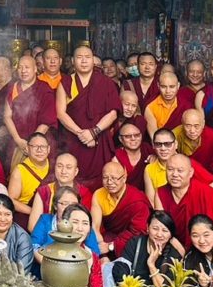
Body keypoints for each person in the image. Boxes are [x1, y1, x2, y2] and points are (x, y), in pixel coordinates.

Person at [56, 45, 119, 188]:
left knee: (101, 181)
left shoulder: (106, 83)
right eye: (79, 57)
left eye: (87, 57)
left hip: (99, 140)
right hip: (73, 139)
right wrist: (82, 134)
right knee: (73, 180)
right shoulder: (66, 82)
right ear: (73, 61)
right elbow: (60, 113)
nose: (84, 61)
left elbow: (113, 113)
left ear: (93, 60)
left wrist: (93, 132)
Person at [158, 154, 213, 246]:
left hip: (204, 245)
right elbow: (160, 229)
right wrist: (179, 249)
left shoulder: (206, 193)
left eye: (180, 170)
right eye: (170, 169)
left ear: (191, 172)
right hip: (173, 246)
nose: (175, 174)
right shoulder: (160, 193)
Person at [37, 204, 101, 287]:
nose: (80, 228)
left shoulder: (91, 256)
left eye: (85, 223)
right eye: (75, 222)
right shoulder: (50, 252)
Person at [91, 159, 150, 257]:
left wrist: (112, 245)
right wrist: (102, 250)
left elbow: (138, 232)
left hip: (130, 243)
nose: (109, 182)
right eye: (105, 178)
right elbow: (95, 226)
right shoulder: (98, 194)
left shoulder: (137, 200)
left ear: (124, 178)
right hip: (107, 238)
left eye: (114, 178)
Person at [110, 210, 182, 287]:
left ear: (171, 235)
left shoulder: (173, 256)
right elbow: (121, 270)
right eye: (155, 228)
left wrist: (151, 264)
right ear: (147, 228)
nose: (159, 234)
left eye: (164, 231)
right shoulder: (135, 243)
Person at [28, 151, 94, 233]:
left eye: (68, 167)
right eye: (59, 166)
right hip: (48, 236)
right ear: (55, 168)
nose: (63, 171)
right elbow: (32, 226)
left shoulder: (84, 193)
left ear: (76, 171)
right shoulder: (44, 191)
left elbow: (88, 225)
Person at [6, 131, 52, 218]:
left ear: (48, 149)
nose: (39, 150)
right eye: (35, 146)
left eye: (43, 146)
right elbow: (11, 200)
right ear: (27, 148)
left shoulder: (55, 166)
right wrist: (36, 212)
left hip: (52, 215)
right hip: (28, 215)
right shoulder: (19, 171)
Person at [0, 193, 33, 271]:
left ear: (12, 216)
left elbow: (22, 271)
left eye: (7, 214)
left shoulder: (22, 238)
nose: (2, 219)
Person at [144, 71, 194, 139]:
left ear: (178, 86)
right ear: (158, 86)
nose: (168, 91)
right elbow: (154, 137)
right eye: (163, 87)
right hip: (160, 143)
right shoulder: (150, 106)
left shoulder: (186, 105)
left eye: (172, 87)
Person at [114, 121, 150, 189]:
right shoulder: (117, 157)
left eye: (136, 135)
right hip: (127, 193)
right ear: (121, 139)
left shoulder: (147, 149)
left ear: (141, 136)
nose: (133, 138)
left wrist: (155, 158)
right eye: (127, 136)